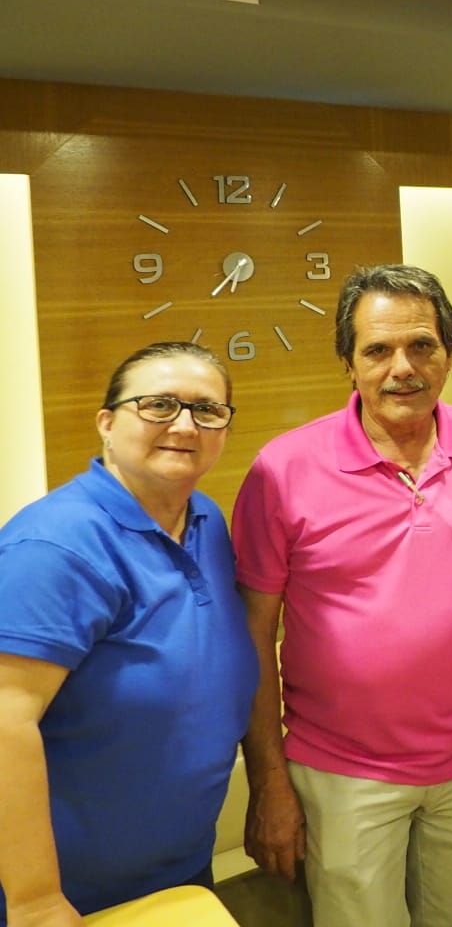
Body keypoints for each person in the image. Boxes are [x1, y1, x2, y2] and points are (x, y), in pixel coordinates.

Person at [232, 263, 452, 927]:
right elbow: (252, 634)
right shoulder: (282, 470)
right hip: (344, 771)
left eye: (421, 346)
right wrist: (268, 781)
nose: (401, 368)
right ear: (348, 364)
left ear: (449, 354)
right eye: (377, 350)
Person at [0, 342, 256, 924]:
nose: (185, 425)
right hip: (66, 896)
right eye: (158, 405)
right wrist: (36, 900)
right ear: (107, 424)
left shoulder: (206, 519)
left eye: (207, 410)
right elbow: (5, 720)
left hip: (175, 873)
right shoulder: (55, 547)